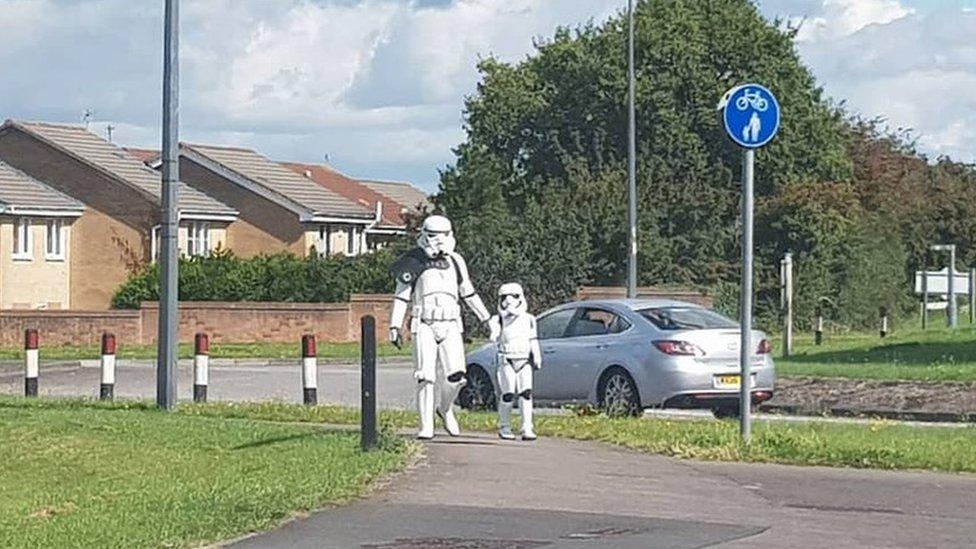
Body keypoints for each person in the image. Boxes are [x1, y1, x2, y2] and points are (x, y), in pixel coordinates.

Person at [389, 215, 491, 439]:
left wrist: (486, 318)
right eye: (434, 235)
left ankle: (444, 409)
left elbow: (469, 293)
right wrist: (395, 325)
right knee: (426, 376)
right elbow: (401, 296)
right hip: (424, 322)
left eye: (444, 235)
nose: (438, 240)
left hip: (451, 323)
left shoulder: (456, 261)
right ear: (424, 235)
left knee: (457, 375)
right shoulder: (413, 261)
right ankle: (425, 425)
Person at [488, 282, 542, 441]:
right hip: (506, 359)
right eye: (504, 297)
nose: (509, 300)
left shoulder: (529, 319)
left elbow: (533, 339)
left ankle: (527, 427)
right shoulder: (498, 319)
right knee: (508, 394)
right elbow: (495, 334)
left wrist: (537, 356)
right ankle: (505, 426)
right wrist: (494, 332)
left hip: (524, 359)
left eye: (514, 296)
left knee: (526, 393)